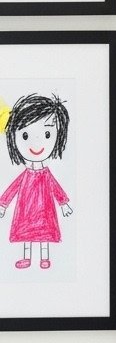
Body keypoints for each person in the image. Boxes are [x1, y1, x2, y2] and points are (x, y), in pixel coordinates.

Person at [0, 94, 72, 269]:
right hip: (26, 211)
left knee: (44, 235)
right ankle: (27, 258)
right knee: (26, 234)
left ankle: (44, 258)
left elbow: (56, 188)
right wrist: (3, 205)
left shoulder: (46, 174)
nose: (36, 143)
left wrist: (64, 204)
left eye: (47, 134)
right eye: (25, 135)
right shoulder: (25, 175)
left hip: (44, 211)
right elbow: (12, 189)